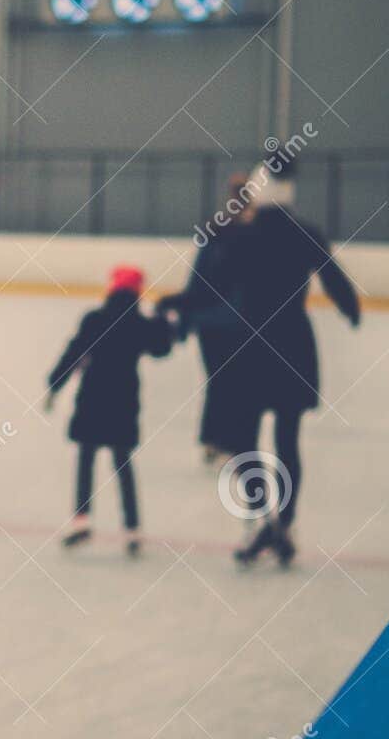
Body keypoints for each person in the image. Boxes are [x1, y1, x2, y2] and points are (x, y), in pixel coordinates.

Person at [223, 177, 361, 567]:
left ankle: (262, 516)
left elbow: (214, 286)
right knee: (288, 440)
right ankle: (283, 522)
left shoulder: (243, 237)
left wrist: (181, 311)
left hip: (250, 346)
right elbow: (332, 275)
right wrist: (349, 308)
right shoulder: (305, 233)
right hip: (293, 344)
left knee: (242, 438)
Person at [45, 265, 175, 557]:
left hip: (92, 395)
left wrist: (55, 383)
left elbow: (74, 351)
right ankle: (132, 528)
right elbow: (161, 349)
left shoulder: (95, 319)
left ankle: (81, 520)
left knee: (86, 456)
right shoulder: (141, 324)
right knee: (122, 462)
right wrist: (165, 321)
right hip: (124, 398)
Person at [159, 173, 252, 463]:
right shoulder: (250, 234)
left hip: (212, 323)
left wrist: (185, 320)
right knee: (234, 381)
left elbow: (196, 284)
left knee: (219, 379)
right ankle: (227, 441)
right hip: (236, 323)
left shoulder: (216, 231)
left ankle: (213, 439)